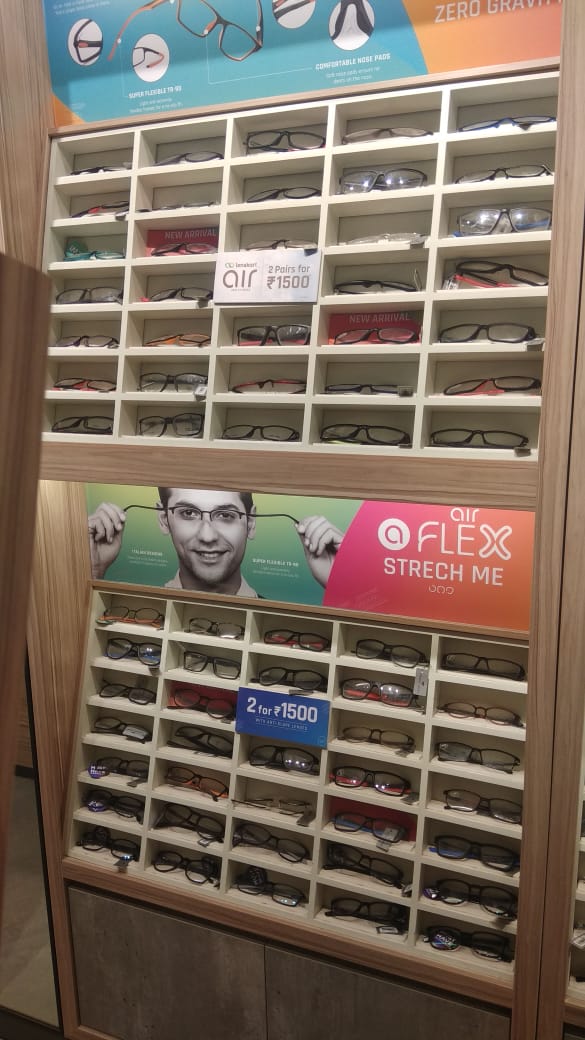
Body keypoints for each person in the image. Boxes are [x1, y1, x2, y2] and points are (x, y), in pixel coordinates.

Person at [88, 486, 344, 596]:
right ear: (164, 519)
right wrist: (93, 570)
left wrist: (341, 582)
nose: (207, 536)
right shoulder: (139, 613)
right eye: (189, 513)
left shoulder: (285, 627)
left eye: (225, 515)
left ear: (251, 522)